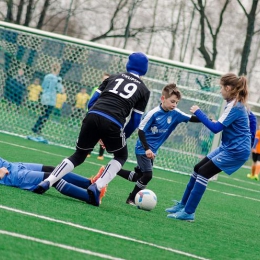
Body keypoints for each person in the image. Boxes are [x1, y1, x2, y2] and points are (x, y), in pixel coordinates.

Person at [34, 52, 150, 208]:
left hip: (93, 115)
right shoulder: (144, 90)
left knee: (79, 155)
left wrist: (93, 121)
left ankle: (48, 181)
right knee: (121, 155)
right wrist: (121, 135)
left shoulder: (112, 77)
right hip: (114, 122)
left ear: (128, 65)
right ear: (144, 70)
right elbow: (135, 120)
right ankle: (97, 186)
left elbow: (92, 102)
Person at [165, 73, 252, 222]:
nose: (220, 91)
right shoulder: (232, 104)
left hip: (236, 150)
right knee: (198, 167)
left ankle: (188, 212)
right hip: (229, 146)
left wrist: (199, 112)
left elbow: (215, 128)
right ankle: (183, 205)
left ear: (228, 88)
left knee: (204, 172)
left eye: (221, 88)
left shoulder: (235, 106)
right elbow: (221, 124)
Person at [113, 83, 201, 205]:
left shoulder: (176, 113)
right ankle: (131, 199)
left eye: (176, 102)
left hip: (152, 150)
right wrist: (147, 149)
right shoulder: (153, 113)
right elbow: (141, 131)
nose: (174, 105)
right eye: (172, 101)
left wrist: (207, 120)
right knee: (148, 175)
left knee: (139, 176)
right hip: (143, 149)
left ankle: (113, 170)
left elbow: (191, 118)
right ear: (163, 98)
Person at [0, 157, 107, 204]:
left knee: (53, 170)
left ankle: (90, 184)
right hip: (13, 176)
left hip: (14, 166)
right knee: (53, 179)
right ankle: (90, 197)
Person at [31, 63, 63, 135]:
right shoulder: (57, 79)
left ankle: (35, 127)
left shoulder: (47, 76)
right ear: (57, 69)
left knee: (42, 113)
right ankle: (39, 129)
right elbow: (60, 90)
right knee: (46, 115)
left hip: (45, 97)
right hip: (51, 99)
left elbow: (43, 86)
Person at [87, 72, 110, 160]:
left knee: (103, 135)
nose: (105, 80)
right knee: (91, 134)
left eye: (107, 79)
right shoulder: (96, 89)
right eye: (104, 79)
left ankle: (101, 154)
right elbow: (91, 101)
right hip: (94, 114)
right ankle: (88, 151)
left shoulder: (110, 91)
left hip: (104, 116)